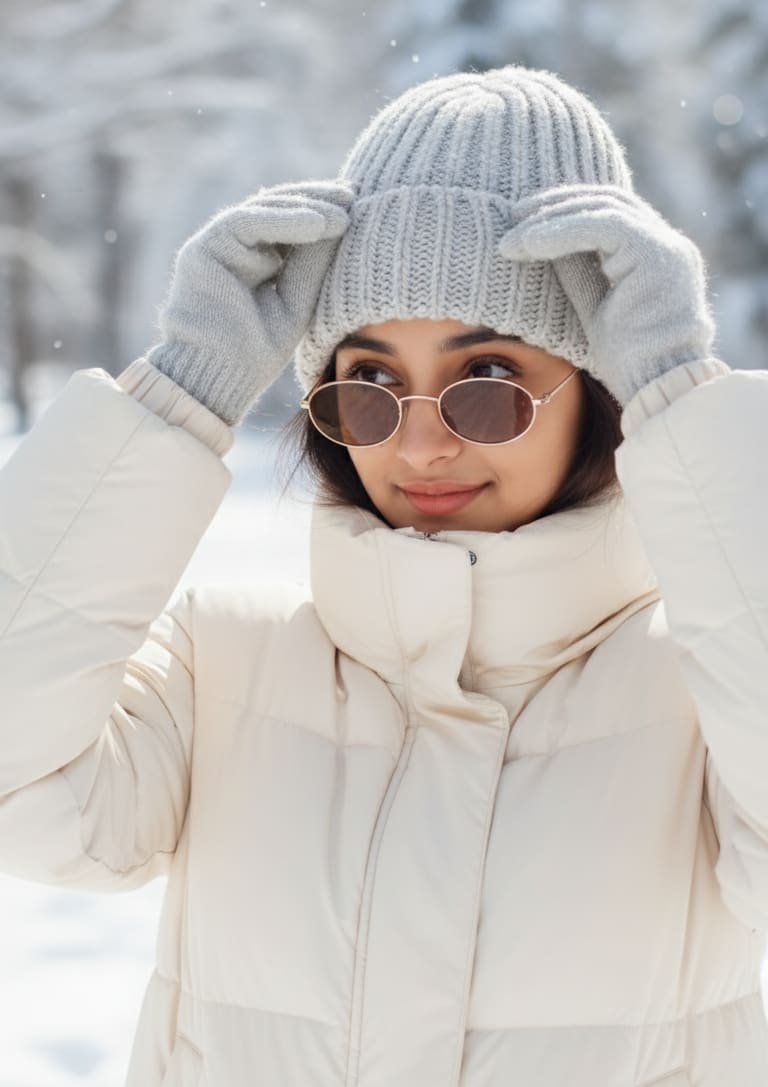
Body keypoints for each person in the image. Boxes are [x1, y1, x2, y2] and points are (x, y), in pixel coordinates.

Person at [1, 64, 766, 1087]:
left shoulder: (702, 697)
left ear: (599, 392)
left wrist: (683, 397)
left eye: (487, 386)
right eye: (368, 386)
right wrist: (178, 394)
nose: (417, 446)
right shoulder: (222, 666)